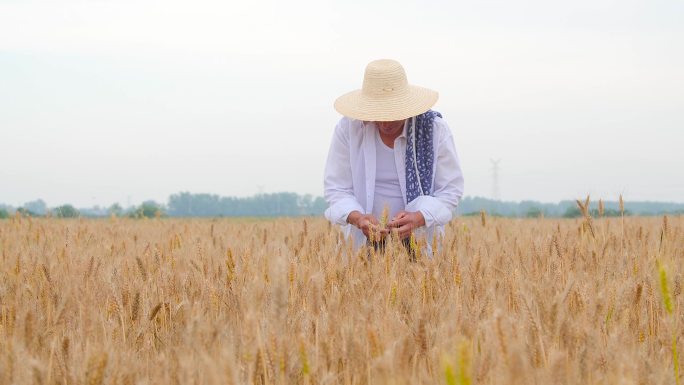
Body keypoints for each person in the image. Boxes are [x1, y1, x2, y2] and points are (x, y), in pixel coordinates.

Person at [324, 59, 464, 255]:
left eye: (392, 114)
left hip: (420, 243)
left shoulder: (434, 129)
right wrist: (358, 218)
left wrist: (419, 217)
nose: (385, 122)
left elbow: (450, 190)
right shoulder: (349, 128)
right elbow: (336, 189)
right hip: (362, 246)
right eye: (378, 113)